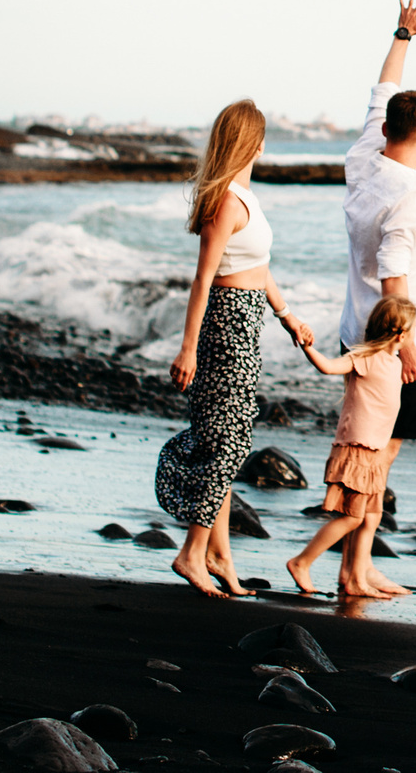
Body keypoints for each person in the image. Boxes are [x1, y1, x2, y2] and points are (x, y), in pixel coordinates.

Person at [156, 98, 315, 600]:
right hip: (225, 324)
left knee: (226, 432)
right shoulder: (226, 201)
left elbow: (259, 265)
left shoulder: (245, 197)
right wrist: (188, 350)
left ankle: (221, 555)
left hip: (248, 319)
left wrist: (288, 315)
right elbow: (203, 279)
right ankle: (192, 552)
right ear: (256, 142)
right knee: (228, 442)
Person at [335, 0, 416, 594]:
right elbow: (396, 277)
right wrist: (408, 350)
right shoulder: (409, 195)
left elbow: (382, 93)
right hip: (393, 343)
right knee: (381, 457)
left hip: (357, 329)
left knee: (373, 452)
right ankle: (354, 569)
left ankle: (359, 565)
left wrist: (402, 36)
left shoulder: (363, 158)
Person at [284, 294, 416, 598]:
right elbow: (328, 367)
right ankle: (301, 561)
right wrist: (307, 346)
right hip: (355, 449)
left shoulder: (395, 364)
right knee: (351, 516)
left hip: (374, 452)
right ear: (399, 333)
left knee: (368, 515)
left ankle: (355, 580)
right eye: (411, 330)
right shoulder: (365, 358)